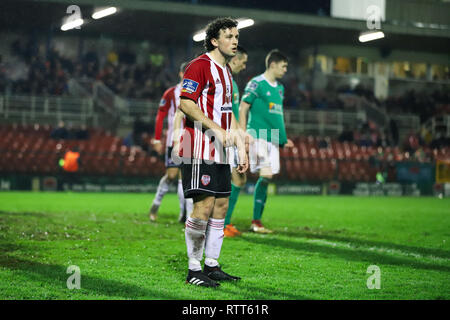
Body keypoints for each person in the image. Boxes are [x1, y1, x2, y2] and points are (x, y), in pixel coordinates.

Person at [178, 17, 248, 287]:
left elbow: (229, 115)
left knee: (220, 207)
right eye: (229, 36)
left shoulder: (227, 73)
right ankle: (193, 269)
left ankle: (212, 264)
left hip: (221, 152)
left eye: (237, 37)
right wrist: (215, 129)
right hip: (197, 146)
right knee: (203, 206)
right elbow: (186, 103)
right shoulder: (199, 66)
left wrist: (240, 148)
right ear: (214, 40)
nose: (235, 41)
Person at [239, 49, 294, 234]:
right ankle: (255, 222)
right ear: (273, 64)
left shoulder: (280, 88)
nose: (285, 70)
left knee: (266, 179)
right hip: (258, 134)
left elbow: (277, 116)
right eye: (283, 66)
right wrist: (244, 132)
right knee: (266, 175)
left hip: (273, 139)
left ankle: (257, 221)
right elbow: (242, 108)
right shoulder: (256, 83)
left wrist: (284, 139)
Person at [149, 62, 193, 223]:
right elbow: (160, 116)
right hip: (173, 140)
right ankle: (155, 204)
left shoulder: (197, 92)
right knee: (171, 175)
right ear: (181, 74)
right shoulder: (171, 93)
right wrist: (156, 138)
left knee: (185, 178)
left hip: (189, 140)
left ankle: (185, 215)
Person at [223, 45, 249, 237]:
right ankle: (222, 224)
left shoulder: (231, 82)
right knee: (236, 179)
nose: (244, 66)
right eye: (243, 62)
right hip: (225, 137)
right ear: (234, 60)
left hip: (230, 136)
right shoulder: (226, 81)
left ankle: (225, 223)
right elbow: (228, 113)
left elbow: (234, 113)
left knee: (239, 179)